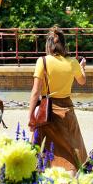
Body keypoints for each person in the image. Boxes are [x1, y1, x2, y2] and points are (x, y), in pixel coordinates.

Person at [28, 27, 87, 172]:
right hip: (67, 110)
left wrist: (30, 116)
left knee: (43, 150)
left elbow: (35, 92)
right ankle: (74, 181)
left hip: (47, 111)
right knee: (73, 150)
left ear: (48, 45)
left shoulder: (43, 61)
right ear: (64, 44)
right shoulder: (72, 62)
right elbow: (82, 81)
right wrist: (82, 68)